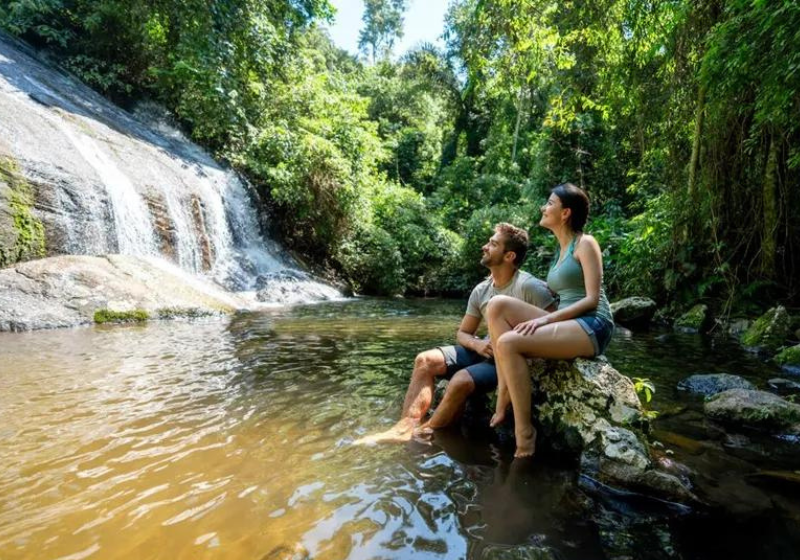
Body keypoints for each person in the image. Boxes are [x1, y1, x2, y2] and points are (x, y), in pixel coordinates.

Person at [355, 223, 556, 444]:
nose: (484, 246)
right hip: (484, 349)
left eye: (493, 244)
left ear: (509, 256)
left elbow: (556, 325)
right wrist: (477, 345)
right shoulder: (481, 290)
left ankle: (425, 432)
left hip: (509, 359)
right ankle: (404, 427)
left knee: (460, 380)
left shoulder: (530, 287)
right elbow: (463, 333)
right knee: (424, 360)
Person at [486, 183, 614, 458]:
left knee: (508, 343)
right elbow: (561, 291)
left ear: (565, 213)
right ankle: (503, 392)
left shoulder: (586, 243)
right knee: (496, 305)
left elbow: (591, 299)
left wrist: (544, 321)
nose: (543, 207)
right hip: (567, 321)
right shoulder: (560, 250)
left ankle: (524, 435)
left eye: (550, 203)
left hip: (593, 324)